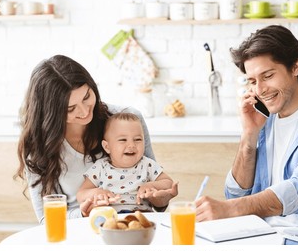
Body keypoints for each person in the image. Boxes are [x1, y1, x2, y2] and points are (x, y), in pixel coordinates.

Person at [195, 25, 298, 245]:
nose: (260, 90)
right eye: (252, 81)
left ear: (295, 67)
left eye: (268, 76)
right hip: (261, 237)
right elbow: (235, 197)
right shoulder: (264, 121)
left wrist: (229, 209)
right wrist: (249, 135)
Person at [14, 54, 178, 224]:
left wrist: (161, 198)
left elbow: (153, 192)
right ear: (50, 112)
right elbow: (46, 219)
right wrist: (84, 214)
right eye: (70, 108)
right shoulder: (38, 143)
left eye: (86, 97)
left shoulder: (127, 120)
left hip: (135, 227)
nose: (85, 112)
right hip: (78, 232)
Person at [77, 112, 175, 213]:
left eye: (137, 139)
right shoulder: (100, 167)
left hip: (141, 217)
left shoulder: (147, 164)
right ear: (107, 147)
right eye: (123, 140)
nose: (131, 145)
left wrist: (152, 185)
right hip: (110, 218)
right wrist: (97, 192)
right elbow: (81, 194)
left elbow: (169, 183)